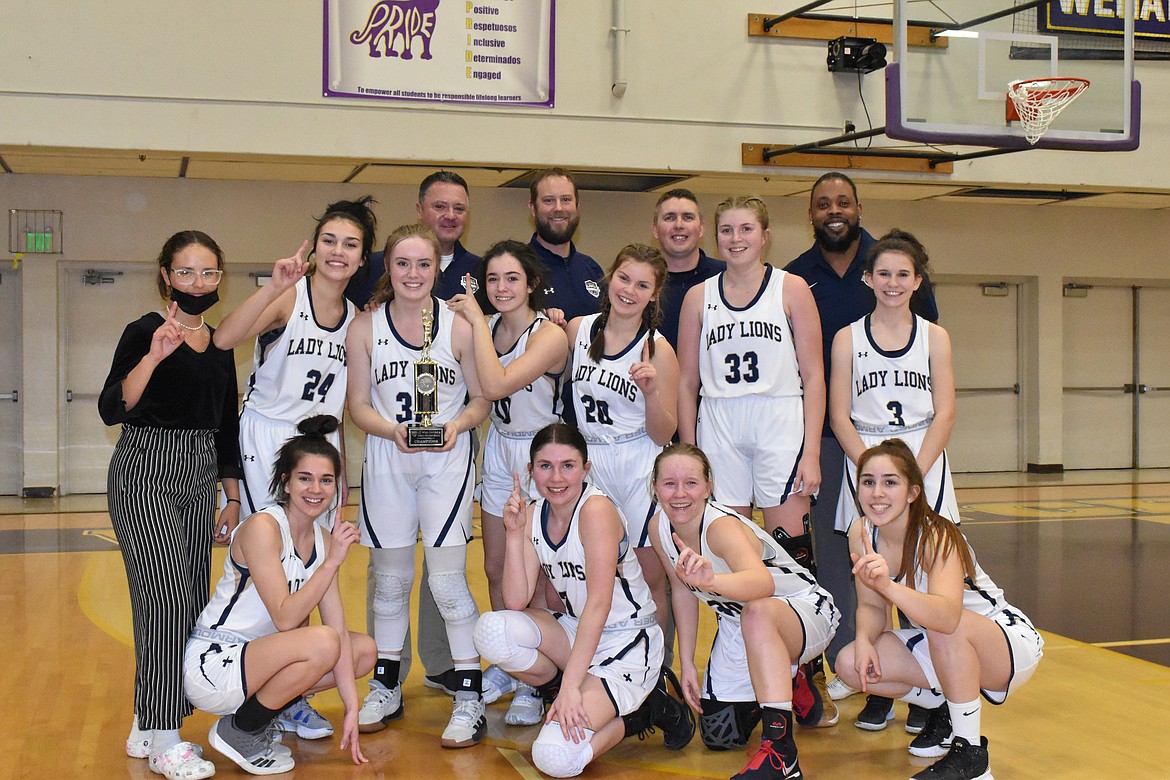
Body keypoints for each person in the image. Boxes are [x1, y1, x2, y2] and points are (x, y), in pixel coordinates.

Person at [209, 197, 374, 740]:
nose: (337, 251)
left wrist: (341, 481)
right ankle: (250, 676)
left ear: (361, 257)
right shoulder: (289, 300)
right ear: (315, 246)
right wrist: (272, 287)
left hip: (318, 452)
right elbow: (224, 339)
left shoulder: (356, 322)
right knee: (273, 564)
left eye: (350, 244)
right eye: (329, 240)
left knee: (307, 568)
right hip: (268, 438)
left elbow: (345, 413)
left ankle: (287, 691)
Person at [785, 172, 940, 728]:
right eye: (822, 202)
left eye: (843, 201)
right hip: (839, 445)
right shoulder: (796, 276)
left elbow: (936, 388)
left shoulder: (896, 273)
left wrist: (908, 470)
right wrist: (867, 465)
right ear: (811, 212)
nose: (834, 210)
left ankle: (930, 684)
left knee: (921, 566)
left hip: (915, 457)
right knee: (850, 563)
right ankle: (868, 673)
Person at [677, 195, 833, 729]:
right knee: (731, 558)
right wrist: (688, 449)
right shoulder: (699, 297)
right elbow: (687, 382)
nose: (735, 238)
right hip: (720, 422)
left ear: (765, 235)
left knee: (792, 557)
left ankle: (806, 671)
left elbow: (815, 375)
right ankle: (742, 674)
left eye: (746, 228)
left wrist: (811, 449)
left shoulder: (791, 289)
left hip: (779, 419)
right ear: (714, 237)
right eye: (726, 230)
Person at [472, 424, 694, 779]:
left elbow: (599, 605)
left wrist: (573, 685)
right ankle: (565, 689)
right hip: (578, 631)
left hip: (627, 639)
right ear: (531, 471)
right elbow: (514, 601)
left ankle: (651, 708)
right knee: (491, 630)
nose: (556, 477)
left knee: (554, 758)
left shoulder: (596, 512)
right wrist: (514, 535)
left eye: (568, 466)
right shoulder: (532, 514)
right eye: (545, 466)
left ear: (586, 469)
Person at [99, 230, 242, 780]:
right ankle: (165, 738)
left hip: (199, 473)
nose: (198, 283)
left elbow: (225, 424)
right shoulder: (143, 331)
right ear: (166, 276)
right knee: (161, 603)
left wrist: (229, 495)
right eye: (186, 272)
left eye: (209, 273)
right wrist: (154, 357)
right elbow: (114, 407)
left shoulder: (221, 343)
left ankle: (146, 719)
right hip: (145, 471)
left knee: (184, 606)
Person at [345, 223, 491, 747]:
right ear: (388, 267)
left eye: (423, 264)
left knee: (448, 583)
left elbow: (481, 400)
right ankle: (385, 685)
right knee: (389, 582)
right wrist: (393, 431)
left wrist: (455, 425)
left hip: (446, 461)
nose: (413, 274)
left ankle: (469, 696)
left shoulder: (459, 326)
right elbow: (357, 404)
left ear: (437, 268)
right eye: (402, 263)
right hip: (388, 458)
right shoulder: (363, 328)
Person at [838, 439, 1043, 780]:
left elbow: (947, 616)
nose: (877, 492)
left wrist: (888, 585)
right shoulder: (860, 533)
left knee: (944, 627)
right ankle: (947, 708)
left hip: (1006, 642)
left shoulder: (938, 535)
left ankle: (970, 755)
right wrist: (862, 639)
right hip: (944, 643)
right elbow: (873, 606)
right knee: (850, 664)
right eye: (868, 481)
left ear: (912, 493)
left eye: (890, 482)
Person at [184, 416, 376, 775]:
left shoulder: (322, 540)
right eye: (305, 478)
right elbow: (286, 618)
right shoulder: (263, 527)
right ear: (286, 482)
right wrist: (331, 564)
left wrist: (352, 707)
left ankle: (266, 710)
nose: (315, 489)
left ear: (336, 486)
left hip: (260, 660)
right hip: (216, 660)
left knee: (361, 651)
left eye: (326, 480)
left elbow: (338, 626)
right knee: (322, 642)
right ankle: (241, 729)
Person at [648, 443, 839, 780]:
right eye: (669, 483)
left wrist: (713, 579)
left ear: (708, 487)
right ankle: (786, 678)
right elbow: (681, 589)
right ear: (655, 487)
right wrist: (687, 662)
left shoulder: (720, 528)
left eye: (691, 483)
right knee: (720, 734)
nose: (680, 493)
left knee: (757, 613)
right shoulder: (659, 528)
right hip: (743, 622)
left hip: (804, 609)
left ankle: (782, 755)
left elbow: (762, 584)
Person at [445, 240, 568, 725]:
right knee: (496, 566)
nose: (501, 288)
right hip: (498, 447)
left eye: (512, 278)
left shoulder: (549, 335)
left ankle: (535, 679)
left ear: (531, 282)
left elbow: (495, 386)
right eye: (492, 279)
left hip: (542, 454)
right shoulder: (484, 327)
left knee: (535, 572)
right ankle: (511, 660)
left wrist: (473, 321)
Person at [565, 243, 679, 646]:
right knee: (586, 573)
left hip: (638, 464)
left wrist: (650, 394)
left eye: (642, 284)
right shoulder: (577, 329)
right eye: (624, 278)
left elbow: (665, 433)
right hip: (590, 460)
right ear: (610, 277)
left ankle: (657, 677)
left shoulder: (659, 348)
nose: (629, 290)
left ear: (654, 294)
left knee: (649, 578)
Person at [830, 229, 958, 537]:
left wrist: (913, 474)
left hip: (922, 451)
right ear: (868, 278)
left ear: (917, 281)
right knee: (870, 560)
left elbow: (946, 413)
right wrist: (873, 475)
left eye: (903, 275)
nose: (893, 283)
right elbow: (838, 417)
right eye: (884, 274)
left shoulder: (935, 338)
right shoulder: (847, 338)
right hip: (865, 451)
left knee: (931, 552)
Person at [345, 171, 486, 309]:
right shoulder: (373, 266)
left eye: (459, 208)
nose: (450, 215)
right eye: (440, 206)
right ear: (419, 210)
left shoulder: (482, 270)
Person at [649, 188, 725, 351]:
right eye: (669, 218)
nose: (679, 225)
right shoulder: (639, 284)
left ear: (702, 228)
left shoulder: (725, 278)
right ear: (655, 229)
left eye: (688, 217)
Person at [526, 168, 604, 324]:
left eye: (566, 199)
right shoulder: (518, 267)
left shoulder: (592, 269)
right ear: (533, 208)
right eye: (548, 200)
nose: (559, 208)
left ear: (577, 205)